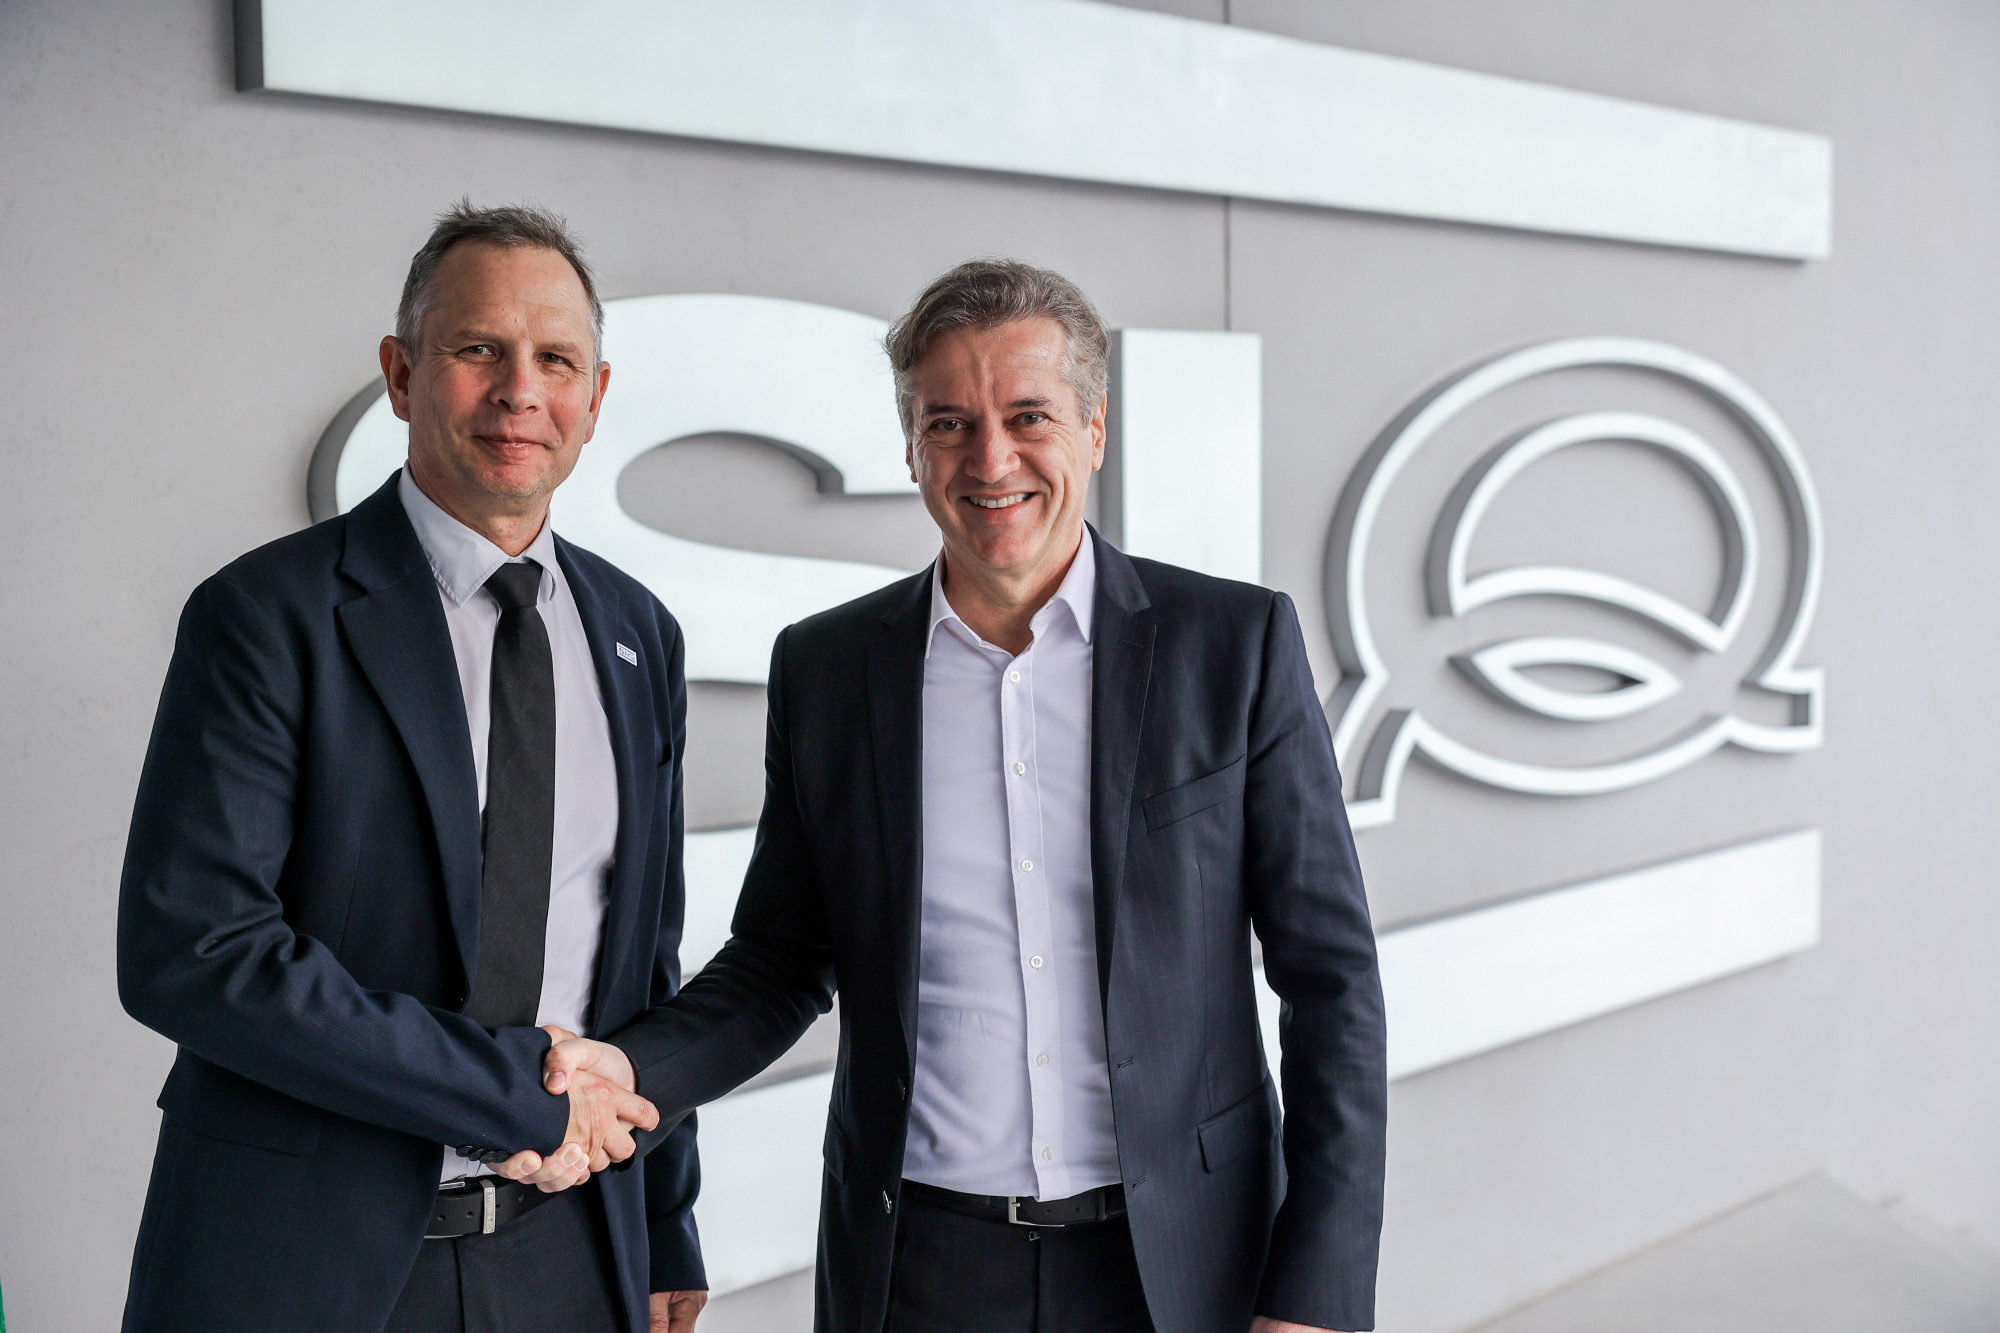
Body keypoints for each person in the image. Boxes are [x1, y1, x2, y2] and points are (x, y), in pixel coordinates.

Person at [547, 260, 1388, 1332]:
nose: (990, 459)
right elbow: (780, 960)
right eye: (948, 423)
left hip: (1184, 1261)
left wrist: (1317, 1288)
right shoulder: (828, 670)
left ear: (1092, 428)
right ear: (910, 447)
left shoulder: (1233, 645)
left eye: (1028, 416)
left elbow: (1330, 978)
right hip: (919, 1267)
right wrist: (627, 1069)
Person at [117, 202, 707, 1333]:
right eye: (479, 348)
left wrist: (666, 1223)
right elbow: (194, 950)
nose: (519, 390)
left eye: (555, 360)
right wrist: (510, 1093)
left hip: (572, 1256)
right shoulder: (264, 614)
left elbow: (642, 963)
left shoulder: (638, 632)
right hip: (307, 1264)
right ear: (400, 374)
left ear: (595, 398)